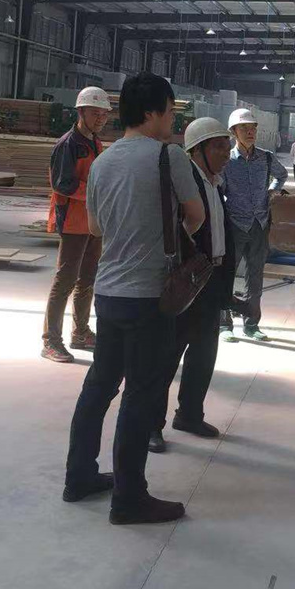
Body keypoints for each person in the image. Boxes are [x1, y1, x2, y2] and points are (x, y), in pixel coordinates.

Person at [63, 73, 205, 526]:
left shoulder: (103, 161)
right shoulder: (169, 156)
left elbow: (97, 227)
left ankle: (79, 477)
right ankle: (129, 498)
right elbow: (196, 216)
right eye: (170, 111)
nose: (172, 120)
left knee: (100, 386)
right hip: (149, 296)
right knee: (141, 394)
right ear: (151, 112)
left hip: (108, 292)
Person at [150, 118, 243, 454]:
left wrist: (226, 288)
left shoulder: (215, 183)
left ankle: (189, 415)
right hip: (187, 281)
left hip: (211, 281)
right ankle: (151, 426)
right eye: (218, 146)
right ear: (197, 150)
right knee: (167, 357)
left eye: (226, 146)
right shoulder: (185, 181)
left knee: (204, 354)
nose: (226, 153)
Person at [42, 86, 111, 363]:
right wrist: (95, 193)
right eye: (95, 113)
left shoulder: (94, 142)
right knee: (65, 281)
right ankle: (50, 341)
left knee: (87, 280)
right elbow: (62, 184)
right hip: (72, 221)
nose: (100, 119)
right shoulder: (68, 144)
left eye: (104, 115)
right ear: (80, 112)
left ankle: (80, 332)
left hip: (92, 222)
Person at [219, 107, 288, 342]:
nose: (250, 132)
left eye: (253, 128)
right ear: (233, 132)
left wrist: (272, 191)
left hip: (260, 224)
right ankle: (224, 325)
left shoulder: (266, 158)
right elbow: (218, 187)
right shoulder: (226, 161)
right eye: (244, 128)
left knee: (255, 276)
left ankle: (251, 324)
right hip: (235, 224)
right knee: (226, 275)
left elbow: (281, 175)